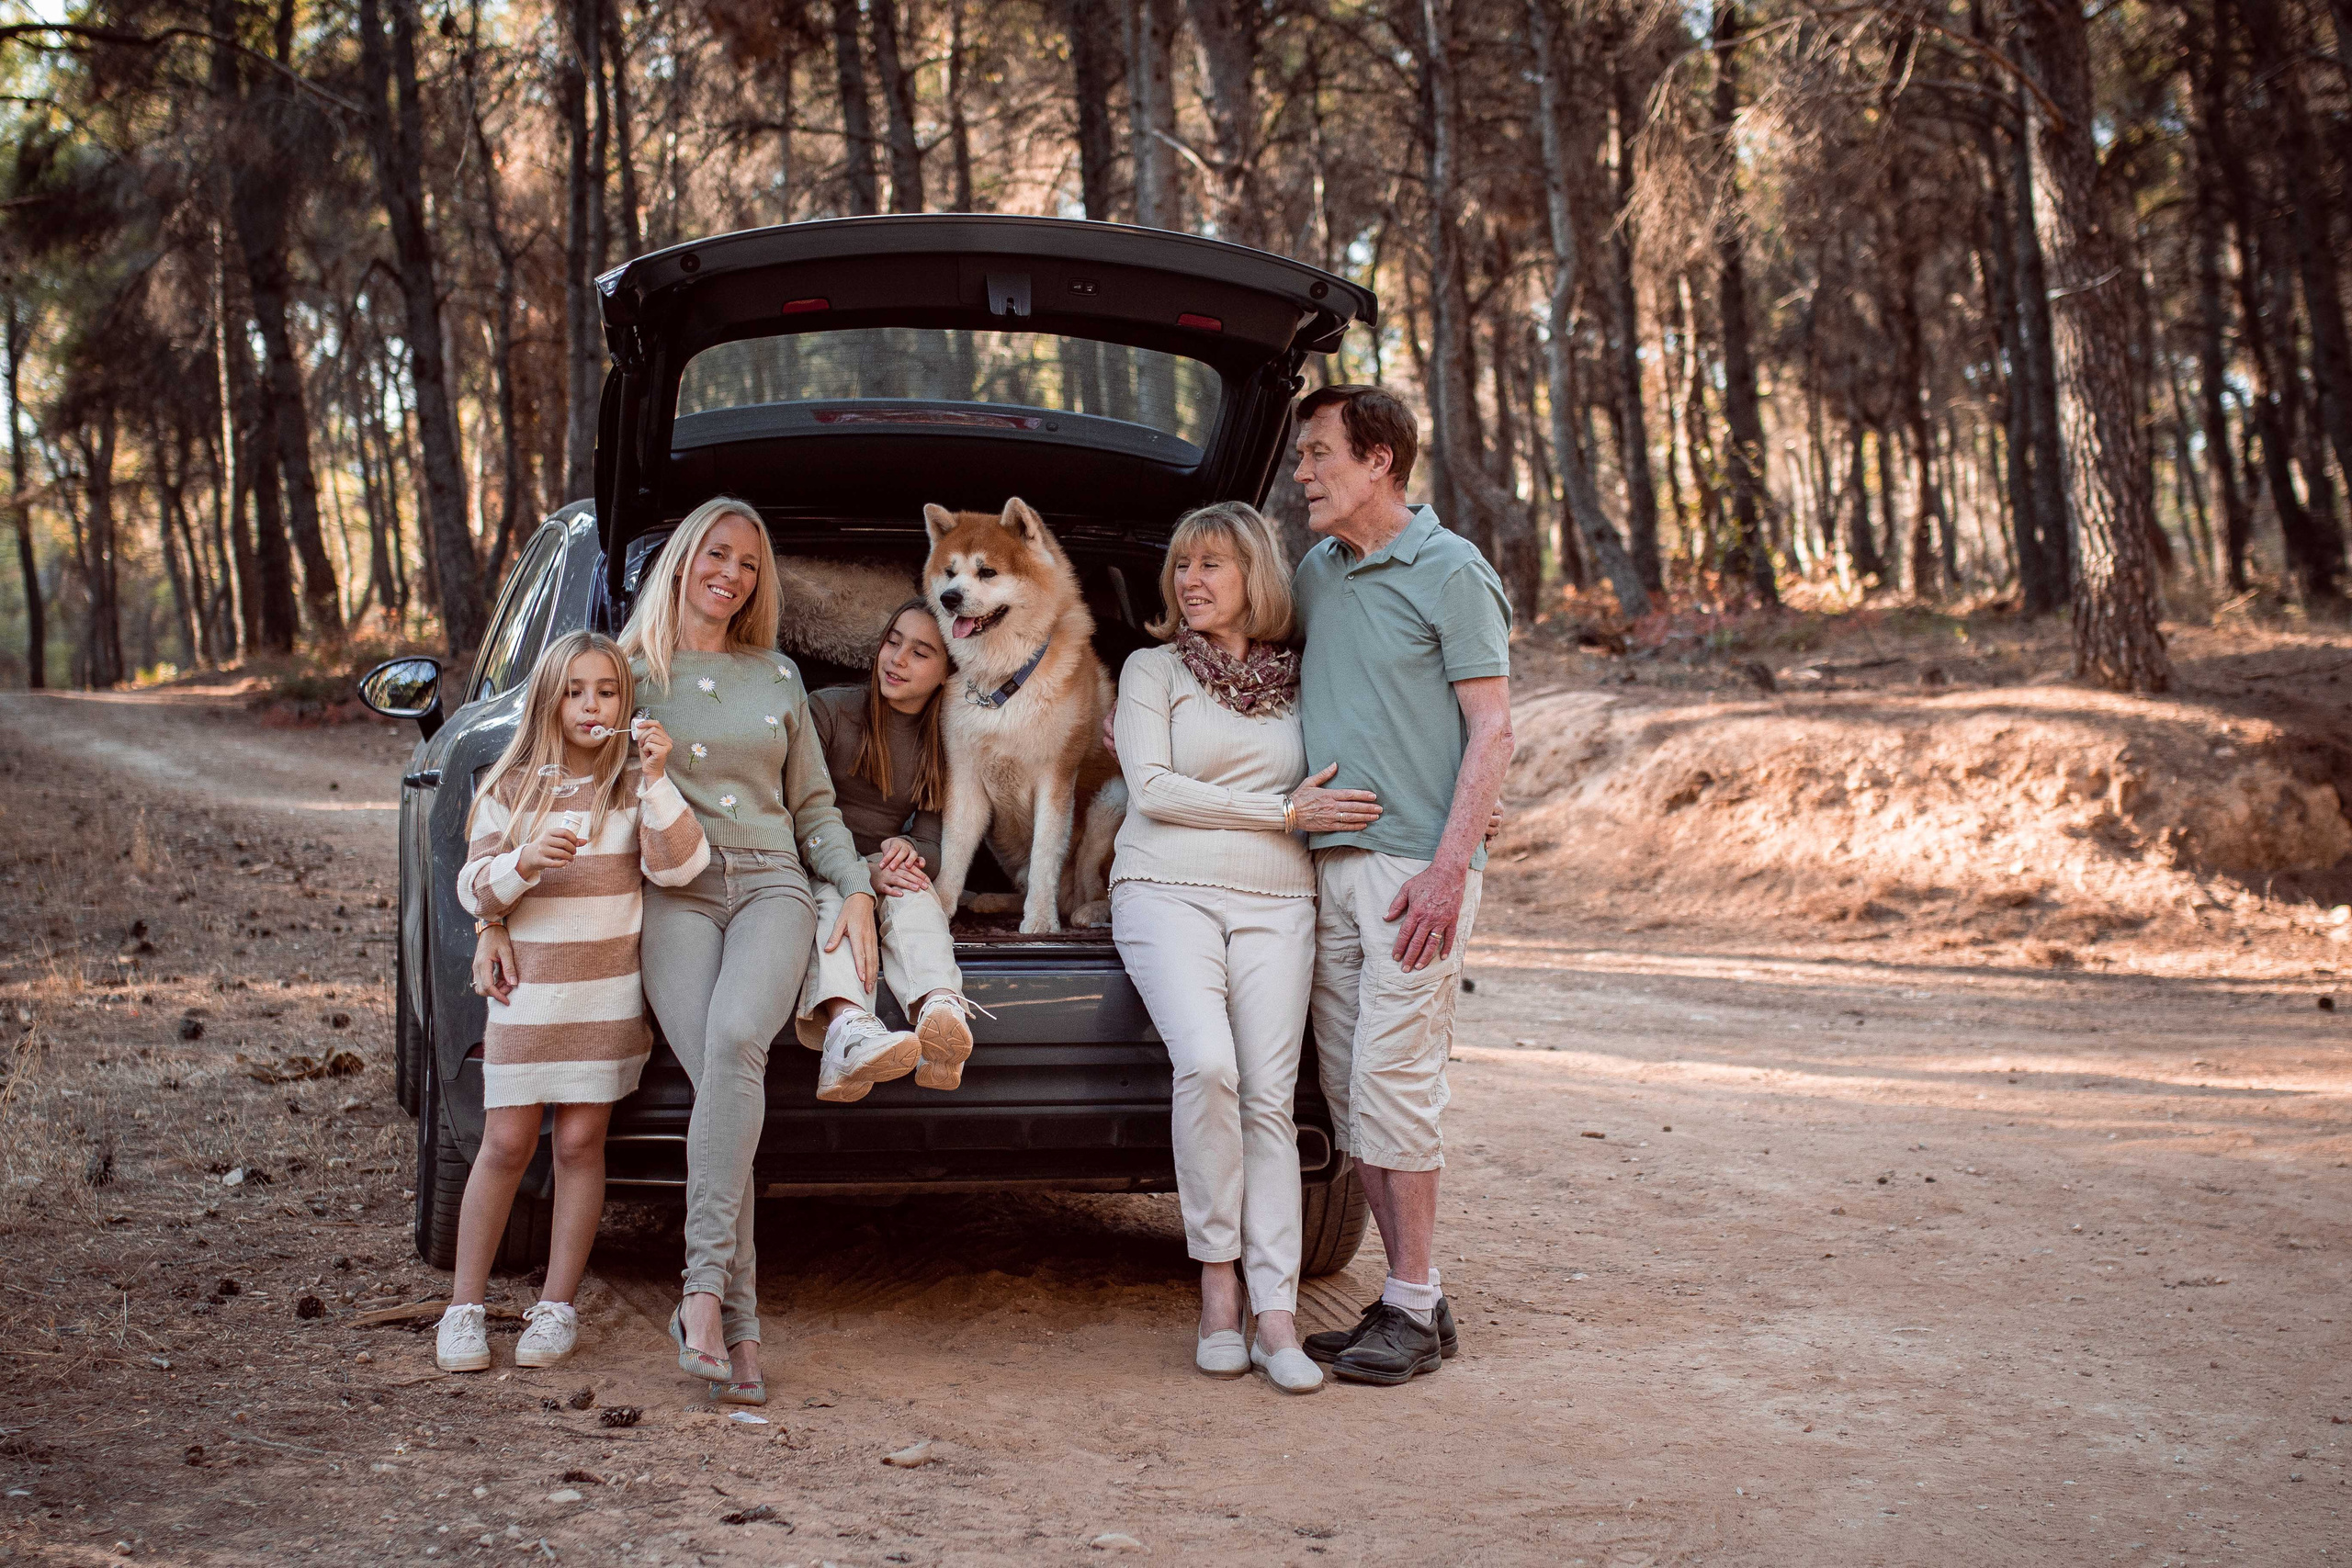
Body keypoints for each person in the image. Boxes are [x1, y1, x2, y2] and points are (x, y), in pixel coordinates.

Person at [620, 495, 892, 1404]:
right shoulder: (626, 672)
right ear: (686, 558)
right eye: (717, 555)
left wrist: (852, 886)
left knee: (737, 1044)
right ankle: (738, 1330)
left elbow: (813, 807)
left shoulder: (777, 677)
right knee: (718, 1085)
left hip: (772, 882)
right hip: (675, 888)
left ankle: (700, 1294)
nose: (730, 575)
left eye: (747, 565)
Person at [1109, 502, 1382, 1394]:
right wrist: (1281, 812)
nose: (1190, 581)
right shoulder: (1150, 670)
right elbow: (1150, 788)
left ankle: (1275, 1313)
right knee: (1208, 1068)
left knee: (1271, 1099)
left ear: (1254, 577)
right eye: (1182, 565)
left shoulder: (1305, 679)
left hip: (1278, 901)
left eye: (1213, 565)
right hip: (1163, 889)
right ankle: (1216, 1283)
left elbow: (1376, 751)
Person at [1287, 386, 1514, 1387]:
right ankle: (1410, 1298)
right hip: (1328, 872)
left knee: (1396, 1091)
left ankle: (1414, 1305)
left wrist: (1448, 868)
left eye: (1317, 454)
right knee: (1350, 1097)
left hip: (1412, 876)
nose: (1301, 474)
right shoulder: (1317, 572)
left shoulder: (1452, 571)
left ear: (1378, 460)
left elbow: (1493, 729)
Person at [440, 631, 709, 1374]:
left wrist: (657, 777)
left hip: (604, 1000)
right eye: (575, 691)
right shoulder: (512, 787)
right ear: (550, 699)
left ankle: (556, 1305)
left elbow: (684, 864)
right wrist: (523, 863)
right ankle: (463, 1306)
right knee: (504, 1144)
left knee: (580, 1145)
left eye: (608, 691)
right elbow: (472, 888)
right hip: (529, 996)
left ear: (626, 702)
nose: (592, 706)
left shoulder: (632, 784)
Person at [793, 600, 979, 1096]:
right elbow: (795, 813)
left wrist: (910, 847)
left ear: (947, 672)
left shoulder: (943, 739)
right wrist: (859, 875)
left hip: (880, 867)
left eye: (920, 653)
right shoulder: (829, 710)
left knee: (915, 888)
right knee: (834, 901)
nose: (897, 659)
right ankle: (848, 1030)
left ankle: (939, 1008)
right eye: (893, 641)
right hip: (816, 862)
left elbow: (935, 842)